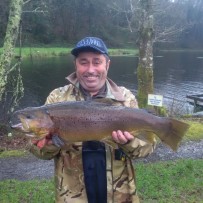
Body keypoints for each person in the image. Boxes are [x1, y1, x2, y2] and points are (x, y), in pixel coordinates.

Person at [29, 37, 156, 203]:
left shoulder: (125, 98)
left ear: (107, 65)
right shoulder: (57, 98)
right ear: (76, 65)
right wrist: (52, 141)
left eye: (97, 62)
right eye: (83, 62)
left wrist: (129, 143)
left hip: (120, 196)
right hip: (73, 196)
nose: (90, 69)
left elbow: (146, 149)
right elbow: (37, 150)